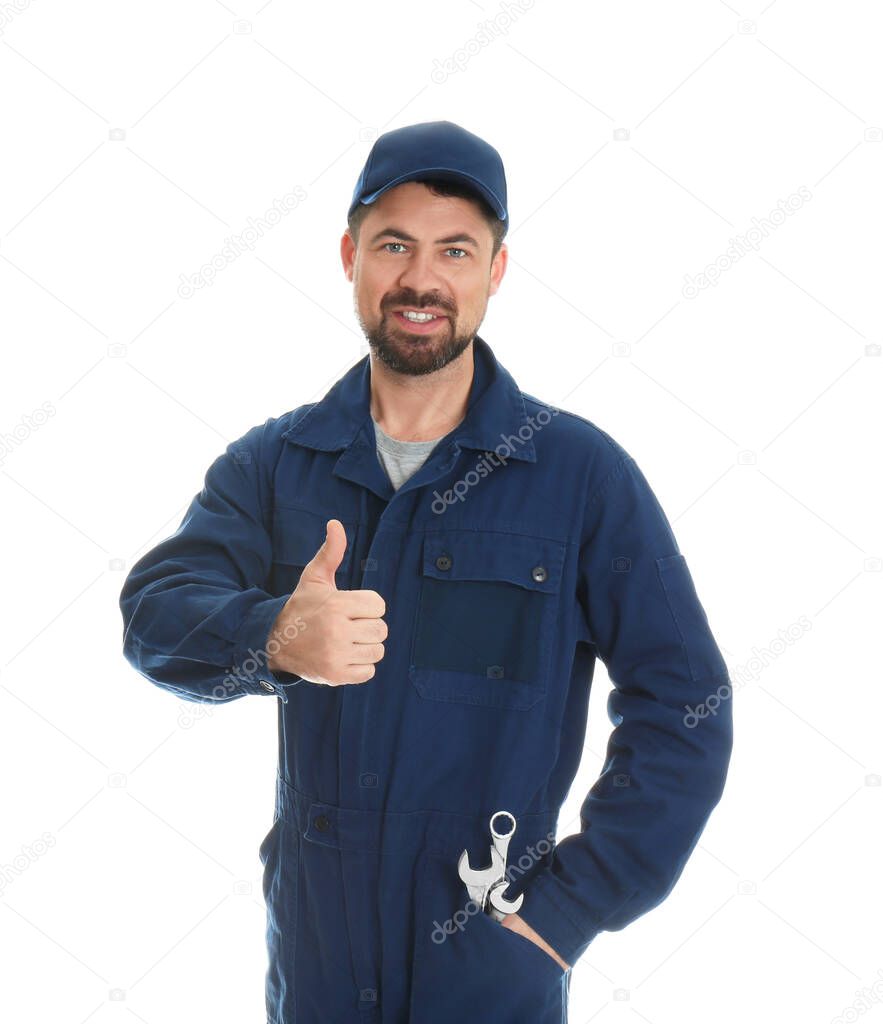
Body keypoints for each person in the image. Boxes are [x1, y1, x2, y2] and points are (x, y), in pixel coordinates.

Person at [119, 120, 733, 1024]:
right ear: (349, 257)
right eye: (393, 244)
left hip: (489, 967)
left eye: (454, 249)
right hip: (317, 967)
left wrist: (572, 905)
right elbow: (153, 617)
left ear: (495, 270)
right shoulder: (276, 463)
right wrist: (276, 636)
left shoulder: (578, 476)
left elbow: (685, 705)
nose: (420, 279)